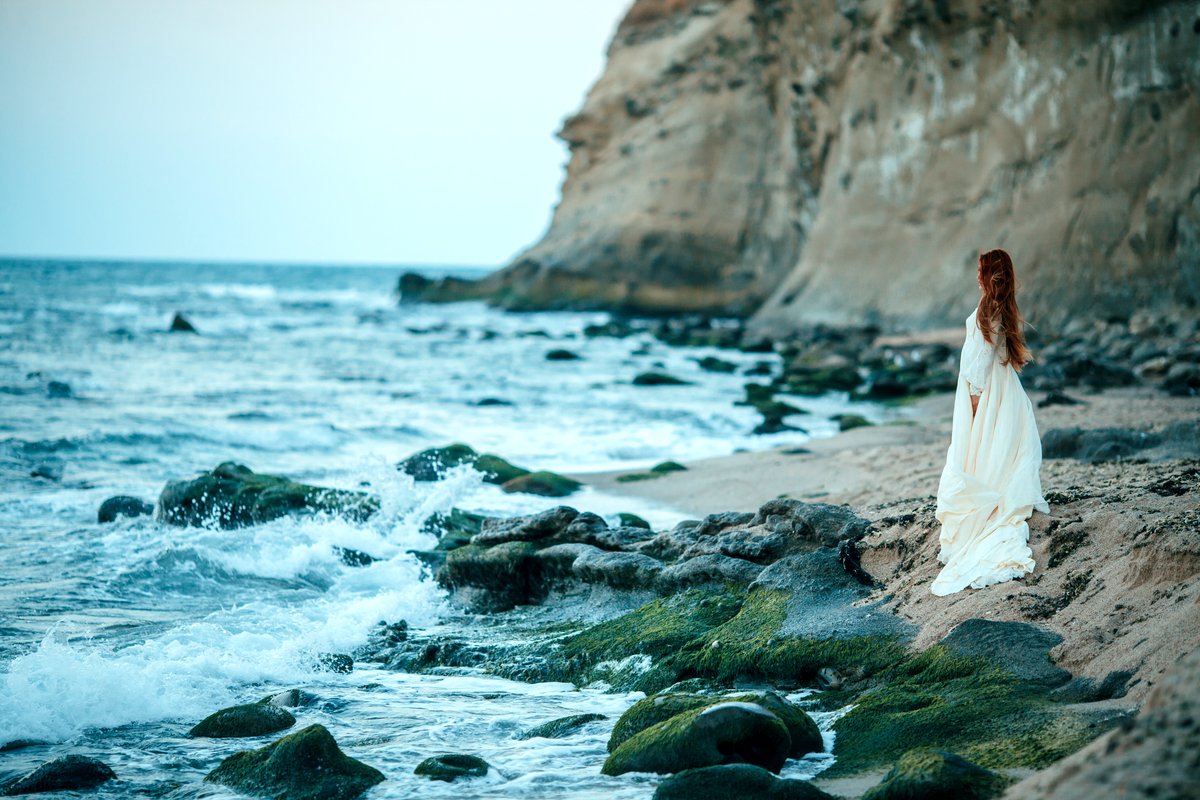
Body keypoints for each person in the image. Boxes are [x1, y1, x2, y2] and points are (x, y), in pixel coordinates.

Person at [931, 248, 1049, 596]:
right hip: (1004, 392)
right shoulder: (1004, 306)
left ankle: (987, 509)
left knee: (983, 450)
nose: (977, 276)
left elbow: (977, 364)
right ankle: (994, 498)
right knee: (1001, 453)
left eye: (980, 270)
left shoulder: (989, 309)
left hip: (986, 394)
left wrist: (973, 405)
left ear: (987, 275)